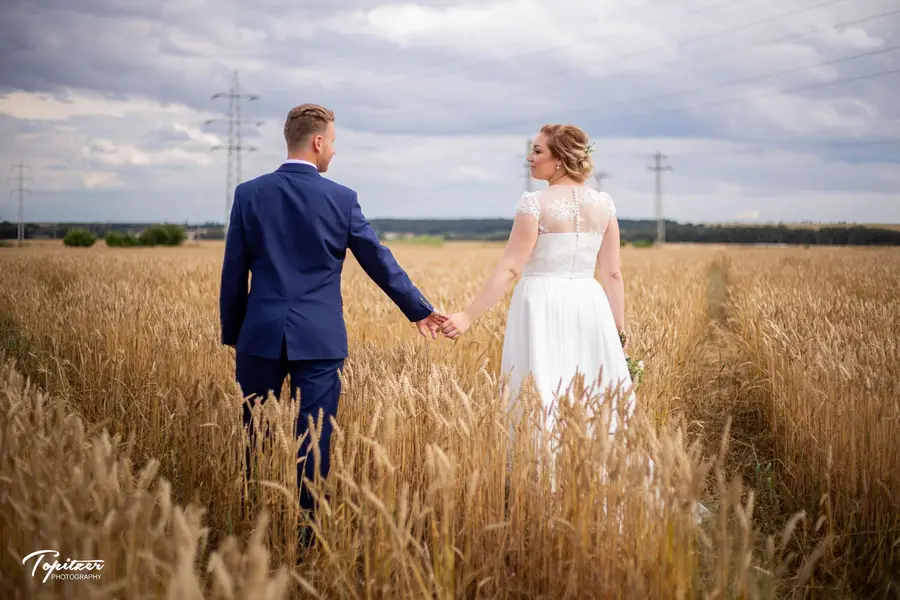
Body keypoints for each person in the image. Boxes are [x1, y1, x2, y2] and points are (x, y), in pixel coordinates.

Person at [219, 103, 447, 544]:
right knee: (315, 440)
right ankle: (307, 538)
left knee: (256, 437)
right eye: (334, 143)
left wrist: (235, 332)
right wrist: (418, 309)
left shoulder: (249, 193)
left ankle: (256, 528)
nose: (334, 153)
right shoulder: (341, 198)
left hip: (260, 335)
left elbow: (234, 271)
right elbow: (379, 261)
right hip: (319, 338)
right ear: (318, 141)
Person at [439, 123, 635, 441]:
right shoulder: (605, 205)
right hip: (590, 302)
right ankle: (593, 475)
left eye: (537, 150)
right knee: (593, 389)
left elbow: (511, 268)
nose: (530, 157)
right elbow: (612, 273)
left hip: (541, 302)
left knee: (542, 388)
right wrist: (618, 330)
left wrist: (467, 317)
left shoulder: (534, 204)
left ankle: (545, 476)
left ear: (559, 159)